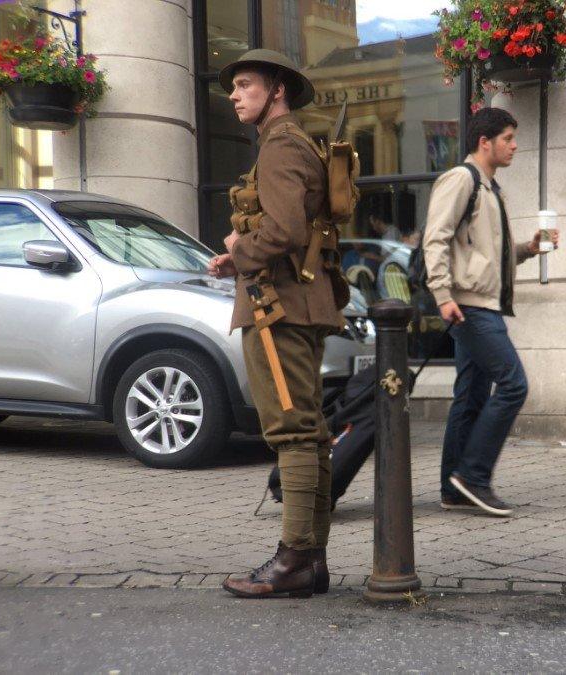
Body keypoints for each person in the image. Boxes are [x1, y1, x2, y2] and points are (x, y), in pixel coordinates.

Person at [207, 49, 344, 599]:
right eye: (234, 87)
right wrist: (239, 253)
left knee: (293, 432)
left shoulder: (281, 144)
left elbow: (284, 229)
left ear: (277, 90)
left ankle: (293, 563)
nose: (235, 95)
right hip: (294, 302)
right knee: (310, 433)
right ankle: (310, 563)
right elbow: (290, 228)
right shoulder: (292, 143)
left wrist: (241, 249)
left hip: (277, 307)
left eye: (244, 85)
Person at [423, 107, 558, 517]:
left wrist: (527, 250)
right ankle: (474, 476)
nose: (515, 146)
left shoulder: (489, 188)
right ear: (486, 142)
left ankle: (454, 487)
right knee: (513, 384)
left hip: (479, 302)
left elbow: (484, 256)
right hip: (468, 306)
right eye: (508, 138)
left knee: (471, 394)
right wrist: (442, 294)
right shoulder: (461, 180)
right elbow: (436, 238)